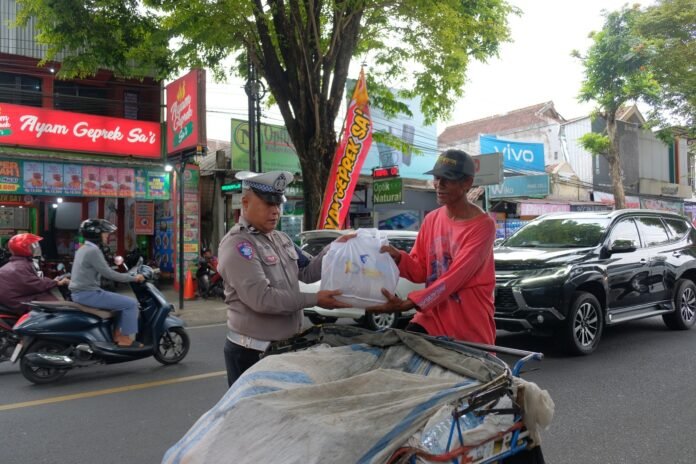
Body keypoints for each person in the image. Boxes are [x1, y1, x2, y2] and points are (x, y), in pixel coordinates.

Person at [218, 170, 352, 386]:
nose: (275, 211)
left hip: (283, 349)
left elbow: (307, 272)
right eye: (268, 204)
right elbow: (263, 299)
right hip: (252, 353)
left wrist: (334, 249)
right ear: (245, 203)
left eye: (278, 204)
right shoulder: (239, 245)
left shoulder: (282, 239)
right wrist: (315, 299)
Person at [367, 149, 497, 345]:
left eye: (448, 179)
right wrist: (398, 258)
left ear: (467, 183)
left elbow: (455, 277)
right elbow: (420, 270)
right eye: (437, 178)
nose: (439, 184)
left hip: (467, 322)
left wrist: (409, 303)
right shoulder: (431, 219)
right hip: (430, 318)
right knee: (400, 351)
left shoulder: (483, 226)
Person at [69, 219, 146, 347]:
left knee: (120, 303)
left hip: (82, 293)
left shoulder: (83, 249)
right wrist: (133, 278)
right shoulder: (93, 251)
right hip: (88, 294)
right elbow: (109, 274)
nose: (107, 236)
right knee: (131, 304)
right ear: (96, 235)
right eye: (105, 234)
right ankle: (124, 339)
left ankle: (117, 334)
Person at [0, 233, 70, 315]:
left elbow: (32, 282)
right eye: (31, 246)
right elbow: (34, 284)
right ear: (24, 248)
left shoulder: (18, 263)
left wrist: (52, 282)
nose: (33, 248)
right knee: (55, 306)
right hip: (18, 302)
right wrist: (55, 282)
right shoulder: (21, 265)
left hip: (14, 298)